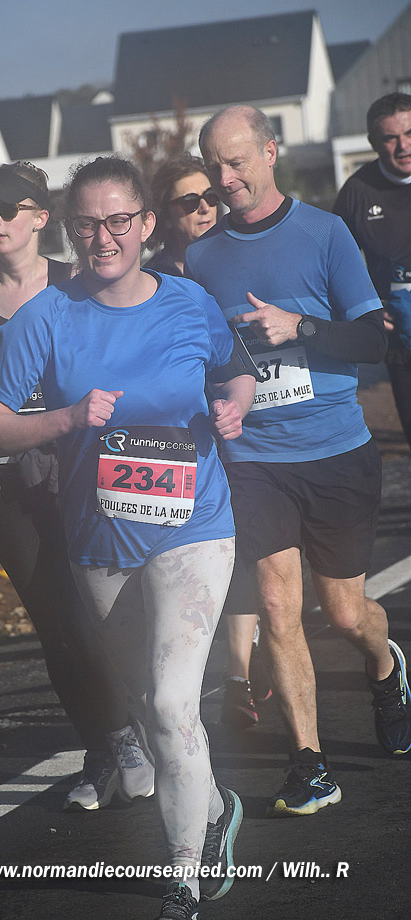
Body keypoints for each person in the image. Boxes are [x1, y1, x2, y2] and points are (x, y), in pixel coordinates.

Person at [0, 155, 255, 918]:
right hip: (98, 537)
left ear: (145, 224)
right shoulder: (44, 319)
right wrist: (64, 419)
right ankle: (215, 808)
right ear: (70, 229)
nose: (103, 238)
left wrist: (234, 406)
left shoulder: (188, 301)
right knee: (143, 702)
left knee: (172, 700)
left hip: (194, 524)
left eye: (118, 221)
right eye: (87, 224)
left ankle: (182, 879)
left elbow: (235, 371)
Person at [186, 104, 411, 818]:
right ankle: (309, 765)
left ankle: (385, 665)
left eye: (237, 161)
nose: (226, 178)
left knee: (344, 614)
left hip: (335, 452)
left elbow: (373, 341)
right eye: (214, 166)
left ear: (269, 152)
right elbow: (207, 355)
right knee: (280, 606)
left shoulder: (325, 232)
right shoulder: (201, 257)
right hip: (254, 459)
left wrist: (300, 326)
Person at [0, 161, 154, 813]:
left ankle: (131, 731)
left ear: (40, 217)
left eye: (8, 209)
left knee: (96, 616)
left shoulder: (74, 285)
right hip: (6, 481)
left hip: (79, 470)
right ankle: (107, 744)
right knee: (53, 624)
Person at [145, 155, 271, 727]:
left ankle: (238, 674)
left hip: (242, 421)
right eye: (188, 202)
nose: (204, 209)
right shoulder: (150, 278)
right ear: (162, 215)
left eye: (210, 199)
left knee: (243, 544)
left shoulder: (234, 258)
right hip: (180, 435)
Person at [333, 92, 411, 449]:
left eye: (409, 133)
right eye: (391, 138)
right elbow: (332, 266)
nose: (403, 146)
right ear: (373, 143)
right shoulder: (357, 193)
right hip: (402, 341)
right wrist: (367, 307)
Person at [143, 154, 220, 276]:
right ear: (166, 216)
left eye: (210, 196)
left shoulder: (237, 258)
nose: (205, 208)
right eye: (190, 202)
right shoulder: (154, 279)